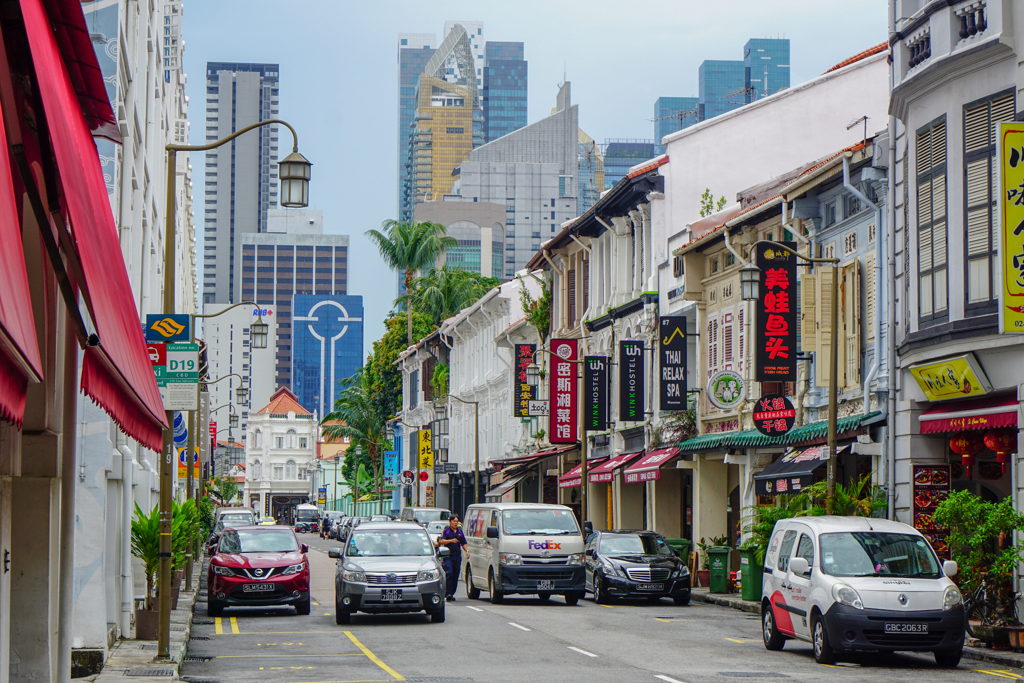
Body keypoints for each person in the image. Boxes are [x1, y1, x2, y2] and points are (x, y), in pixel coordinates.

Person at [436, 515, 467, 601]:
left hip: (457, 556)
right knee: (449, 573)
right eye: (453, 521)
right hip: (448, 556)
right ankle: (448, 593)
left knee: (455, 575)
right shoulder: (446, 531)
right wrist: (451, 540)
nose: (455, 523)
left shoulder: (460, 532)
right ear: (450, 522)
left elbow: (463, 542)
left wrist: (467, 551)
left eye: (456, 521)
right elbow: (441, 541)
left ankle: (452, 593)